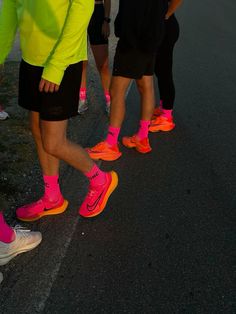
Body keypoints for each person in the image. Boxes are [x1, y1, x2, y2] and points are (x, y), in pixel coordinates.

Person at [0, 0, 118, 220]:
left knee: (53, 142)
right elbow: (10, 7)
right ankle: (52, 196)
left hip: (61, 63)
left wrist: (56, 66)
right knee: (36, 129)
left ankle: (100, 180)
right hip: (31, 60)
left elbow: (83, 7)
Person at [86, 0, 168, 160]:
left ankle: (111, 144)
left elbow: (133, 8)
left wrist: (125, 33)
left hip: (134, 39)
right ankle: (142, 137)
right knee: (146, 84)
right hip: (152, 33)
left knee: (117, 90)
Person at [149, 0, 183, 132]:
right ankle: (164, 108)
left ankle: (167, 117)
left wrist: (167, 14)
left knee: (164, 71)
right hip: (162, 27)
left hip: (166, 27)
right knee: (159, 70)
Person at [78, 0, 111, 115]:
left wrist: (106, 20)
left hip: (97, 12)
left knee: (103, 64)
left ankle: (109, 99)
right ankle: (82, 98)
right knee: (81, 61)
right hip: (78, 13)